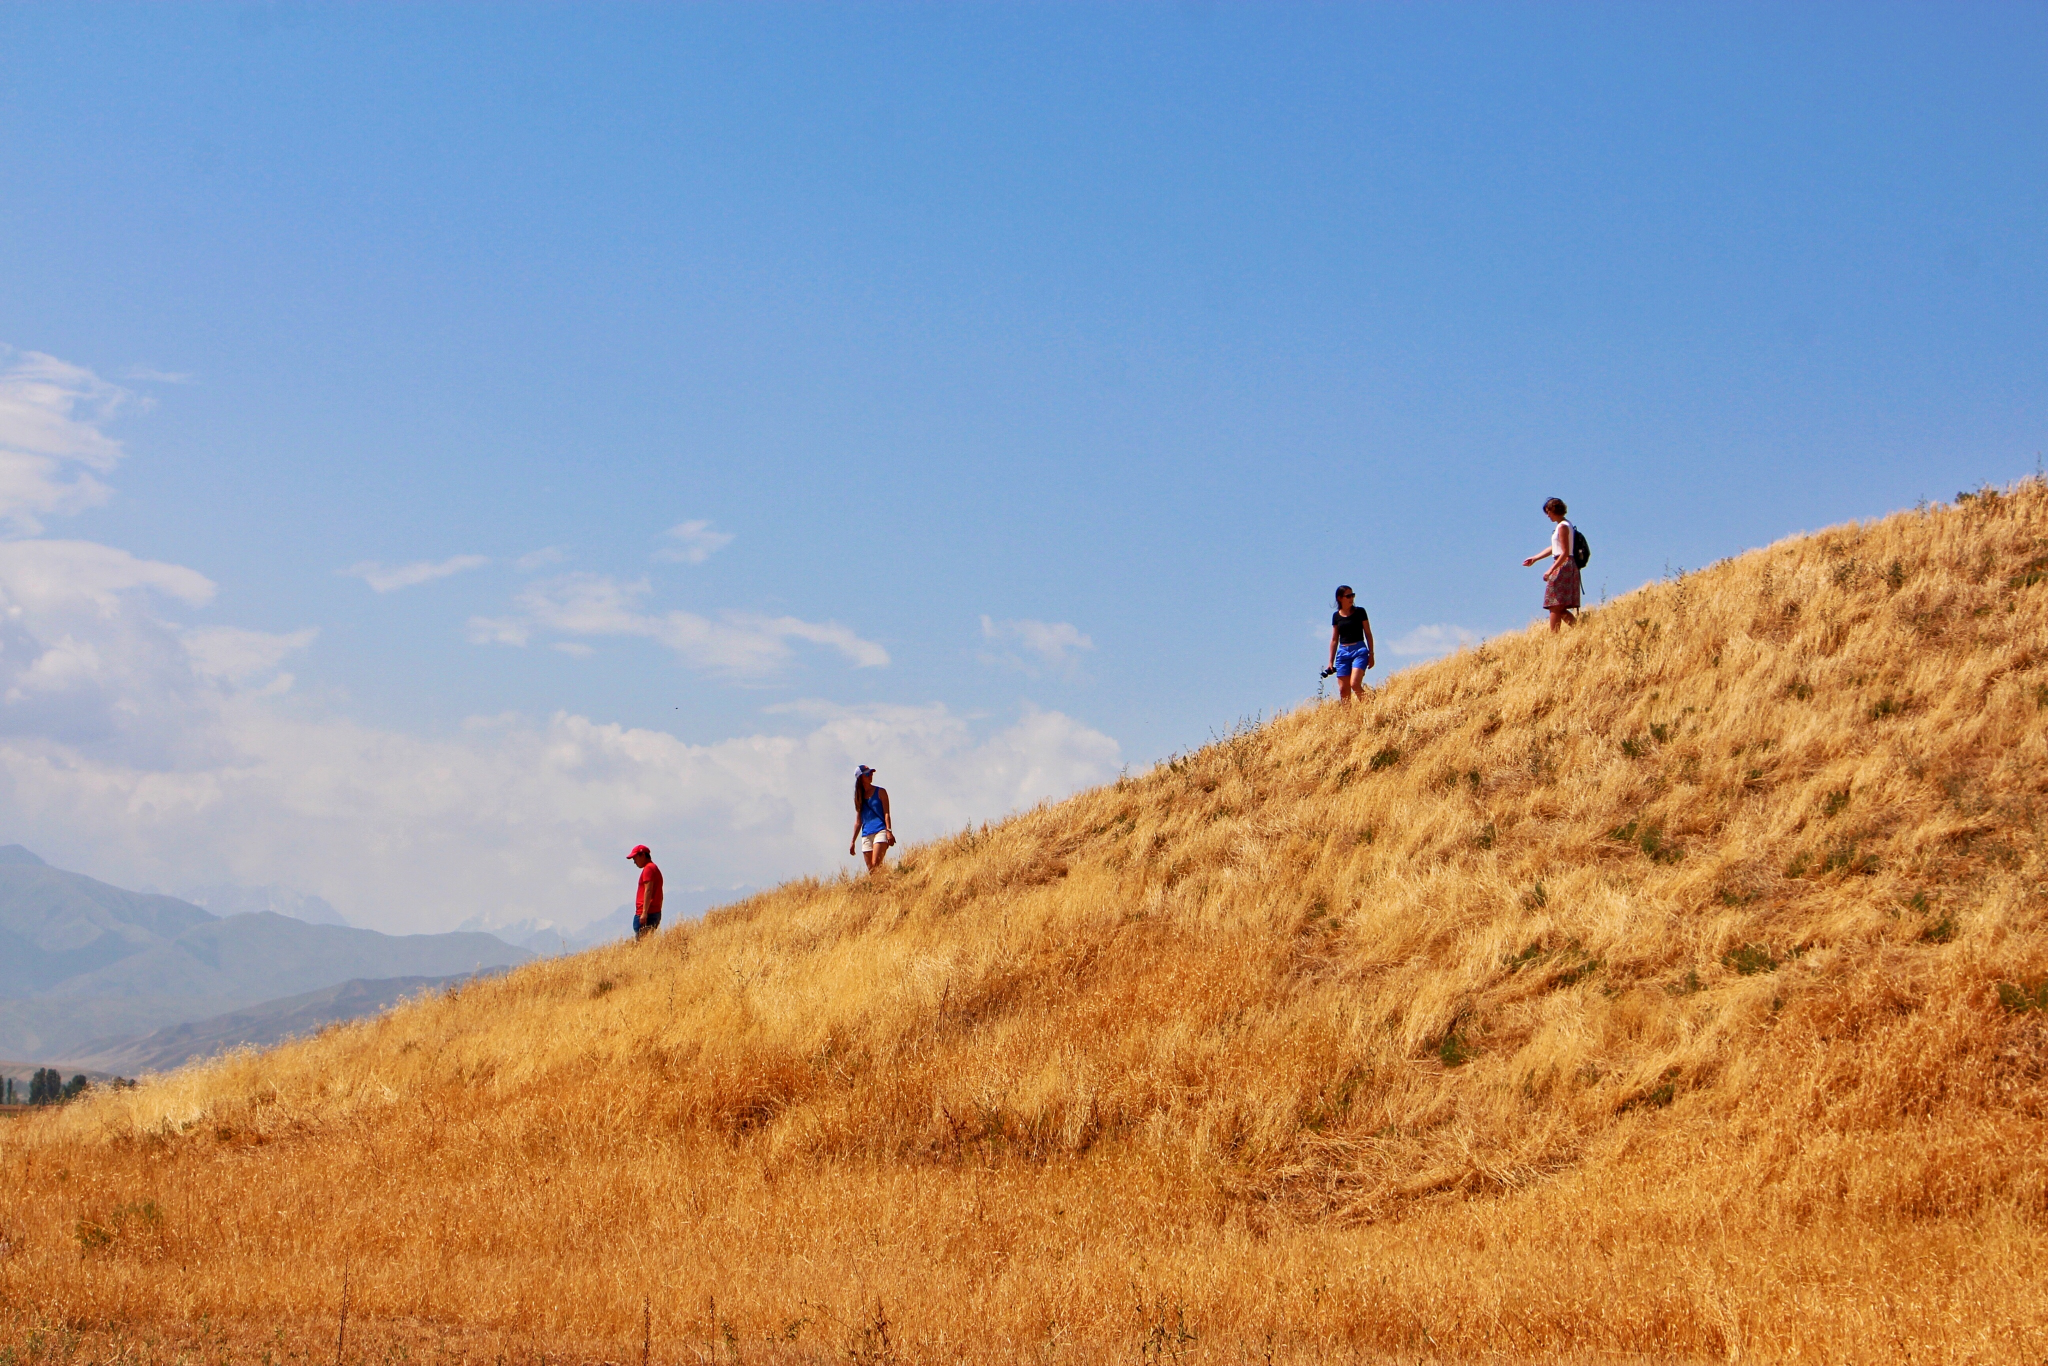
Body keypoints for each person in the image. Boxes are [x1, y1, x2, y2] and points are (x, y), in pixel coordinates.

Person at [1523, 497, 1580, 632]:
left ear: (1554, 510)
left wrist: (1550, 570)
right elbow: (1555, 547)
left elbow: (1564, 552)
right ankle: (1580, 629)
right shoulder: (1564, 525)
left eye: (1548, 512)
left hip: (1563, 565)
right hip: (1564, 563)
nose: (1548, 515)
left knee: (1554, 604)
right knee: (1558, 606)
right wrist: (1535, 558)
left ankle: (1555, 636)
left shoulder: (1563, 526)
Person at [1324, 584, 1375, 701]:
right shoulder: (1336, 616)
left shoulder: (1360, 612)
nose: (1351, 598)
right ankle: (1348, 718)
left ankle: (1371, 707)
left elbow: (1368, 633)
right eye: (1348, 596)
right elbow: (1334, 639)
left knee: (1355, 684)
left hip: (1359, 650)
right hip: (1343, 653)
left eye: (1352, 595)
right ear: (1340, 598)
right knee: (1343, 690)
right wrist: (1330, 662)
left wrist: (1371, 654)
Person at [849, 764, 894, 876]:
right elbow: (858, 821)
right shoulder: (859, 798)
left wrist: (889, 831)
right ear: (860, 778)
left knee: (876, 864)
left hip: (880, 831)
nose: (870, 776)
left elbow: (886, 813)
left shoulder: (881, 792)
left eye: (871, 773)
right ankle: (881, 888)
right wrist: (853, 841)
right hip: (866, 834)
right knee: (872, 871)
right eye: (867, 774)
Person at [628, 844, 663, 939]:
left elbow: (648, 890)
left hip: (646, 914)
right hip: (653, 911)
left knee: (641, 943)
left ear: (642, 855)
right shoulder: (654, 868)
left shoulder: (648, 869)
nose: (634, 862)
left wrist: (644, 913)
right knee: (646, 942)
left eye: (635, 858)